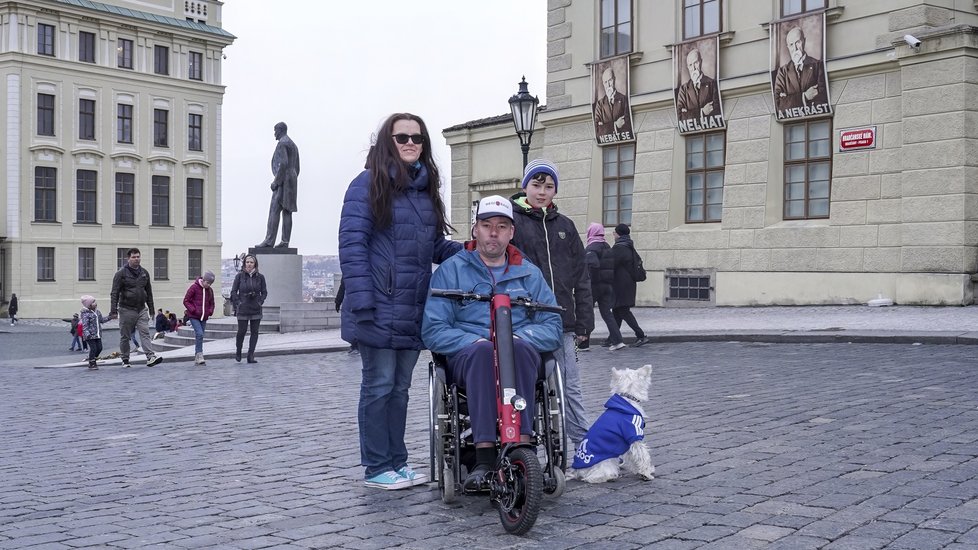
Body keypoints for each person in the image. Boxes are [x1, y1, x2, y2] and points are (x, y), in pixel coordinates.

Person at [339, 112, 462, 490]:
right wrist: (362, 303)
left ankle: (398, 461)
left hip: (412, 308)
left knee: (399, 389)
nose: (410, 142)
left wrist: (475, 250)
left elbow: (434, 246)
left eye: (417, 137)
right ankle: (377, 466)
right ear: (386, 142)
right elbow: (352, 245)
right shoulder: (367, 184)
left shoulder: (425, 192)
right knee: (378, 386)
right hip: (376, 305)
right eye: (402, 137)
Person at [422, 195, 562, 490]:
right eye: (487, 225)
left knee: (519, 348)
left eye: (501, 226)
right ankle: (484, 455)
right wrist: (478, 338)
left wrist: (516, 337)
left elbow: (552, 326)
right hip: (471, 354)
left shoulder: (530, 273)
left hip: (520, 352)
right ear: (475, 230)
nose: (494, 232)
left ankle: (523, 448)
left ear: (512, 232)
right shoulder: (452, 270)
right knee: (485, 351)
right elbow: (434, 329)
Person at [509, 159, 594, 455]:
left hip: (562, 320)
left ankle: (584, 445)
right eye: (536, 184)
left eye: (548, 186)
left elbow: (581, 277)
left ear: (555, 190)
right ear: (525, 186)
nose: (542, 191)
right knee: (526, 385)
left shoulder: (565, 227)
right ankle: (524, 445)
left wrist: (584, 321)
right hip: (524, 321)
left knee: (569, 387)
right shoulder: (512, 223)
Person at [108, 248, 162, 368]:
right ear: (128, 258)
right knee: (125, 336)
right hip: (126, 309)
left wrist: (152, 310)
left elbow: (149, 292)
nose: (136, 259)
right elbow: (114, 293)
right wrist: (113, 311)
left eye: (138, 256)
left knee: (145, 332)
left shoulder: (144, 273)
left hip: (141, 309)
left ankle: (150, 357)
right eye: (134, 257)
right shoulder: (121, 274)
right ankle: (125, 359)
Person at [255, 122, 300, 248]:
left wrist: (276, 181)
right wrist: (292, 179)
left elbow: (283, 163)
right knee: (287, 211)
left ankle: (269, 241)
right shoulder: (293, 145)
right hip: (292, 178)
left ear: (280, 130)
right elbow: (297, 167)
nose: (274, 133)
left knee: (274, 209)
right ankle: (285, 242)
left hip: (283, 180)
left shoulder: (282, 143)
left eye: (275, 131)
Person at [585, 222, 626, 351]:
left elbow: (592, 266)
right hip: (607, 286)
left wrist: (587, 281)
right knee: (607, 314)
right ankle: (618, 341)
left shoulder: (591, 248)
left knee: (586, 313)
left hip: (594, 286)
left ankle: (583, 344)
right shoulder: (607, 246)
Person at [773, 26, 829, 117]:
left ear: (804, 41)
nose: (795, 48)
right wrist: (805, 97)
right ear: (788, 47)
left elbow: (822, 99)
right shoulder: (782, 72)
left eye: (797, 42)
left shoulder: (817, 65)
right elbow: (779, 105)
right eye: (791, 45)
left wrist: (788, 99)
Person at [610, 224, 648, 347]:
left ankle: (641, 335)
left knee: (623, 311)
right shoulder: (628, 245)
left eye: (614, 232)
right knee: (617, 311)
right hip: (627, 284)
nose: (613, 234)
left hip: (621, 285)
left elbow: (610, 264)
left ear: (619, 234)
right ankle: (612, 338)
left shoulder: (619, 248)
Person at [230, 254, 267, 364]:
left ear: (255, 264)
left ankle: (251, 355)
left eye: (251, 262)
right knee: (241, 332)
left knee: (254, 332)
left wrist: (260, 302)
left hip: (256, 307)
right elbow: (233, 292)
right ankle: (238, 351)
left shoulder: (260, 277)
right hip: (243, 308)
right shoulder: (239, 276)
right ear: (244, 263)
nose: (249, 264)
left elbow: (264, 292)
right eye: (247, 262)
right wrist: (238, 303)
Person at [676, 48, 721, 125]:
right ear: (688, 67)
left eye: (695, 63)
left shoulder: (712, 83)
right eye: (690, 65)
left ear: (701, 62)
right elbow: (680, 116)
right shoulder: (683, 89)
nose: (693, 68)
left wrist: (688, 113)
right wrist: (702, 112)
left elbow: (716, 110)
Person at [183, 271, 216, 366]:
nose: (208, 285)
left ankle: (197, 356)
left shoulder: (210, 290)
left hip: (204, 317)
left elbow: (212, 303)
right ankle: (200, 355)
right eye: (207, 283)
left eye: (210, 284)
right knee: (200, 334)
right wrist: (192, 309)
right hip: (194, 316)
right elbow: (186, 300)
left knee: (200, 336)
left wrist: (210, 311)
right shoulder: (194, 287)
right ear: (204, 280)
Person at [593, 66, 634, 141]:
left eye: (610, 80)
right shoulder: (600, 104)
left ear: (614, 79)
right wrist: (615, 125)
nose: (608, 85)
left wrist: (604, 126)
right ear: (603, 84)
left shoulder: (624, 99)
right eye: (605, 82)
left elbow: (627, 125)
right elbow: (597, 131)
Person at [79, 295, 107, 370]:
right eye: (93, 302)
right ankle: (92, 363)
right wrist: (87, 334)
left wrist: (110, 317)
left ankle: (92, 358)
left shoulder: (97, 312)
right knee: (93, 348)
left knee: (100, 348)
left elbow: (102, 320)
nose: (95, 304)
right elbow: (85, 325)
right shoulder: (85, 314)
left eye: (95, 302)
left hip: (97, 334)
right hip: (90, 335)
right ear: (89, 305)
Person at [334, 279, 357, 355]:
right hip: (351, 302)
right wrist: (338, 301)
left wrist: (338, 301)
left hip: (352, 302)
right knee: (351, 325)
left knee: (352, 325)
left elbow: (342, 286)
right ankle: (355, 345)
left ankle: (356, 346)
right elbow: (343, 286)